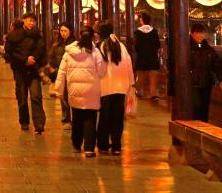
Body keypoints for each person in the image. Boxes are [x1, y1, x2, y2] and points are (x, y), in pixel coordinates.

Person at [55, 27, 106, 157]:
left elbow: (61, 72)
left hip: (74, 90)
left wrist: (58, 89)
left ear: (79, 35)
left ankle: (76, 144)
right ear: (93, 37)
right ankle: (89, 148)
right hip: (92, 91)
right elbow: (102, 71)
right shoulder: (96, 53)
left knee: (77, 117)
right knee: (90, 118)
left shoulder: (69, 52)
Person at [4, 13, 47, 134]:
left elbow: (41, 49)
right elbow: (9, 54)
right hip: (20, 70)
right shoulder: (13, 35)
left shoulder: (38, 35)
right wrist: (24, 60)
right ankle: (24, 122)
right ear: (23, 20)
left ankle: (39, 123)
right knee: (22, 98)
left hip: (34, 70)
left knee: (36, 96)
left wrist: (33, 59)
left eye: (34, 21)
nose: (32, 23)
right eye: (29, 20)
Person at [97, 21, 134, 155]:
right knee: (118, 117)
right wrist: (130, 83)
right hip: (121, 87)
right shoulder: (121, 45)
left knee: (105, 116)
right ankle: (116, 145)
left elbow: (100, 67)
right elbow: (129, 64)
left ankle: (103, 144)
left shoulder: (101, 46)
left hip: (106, 86)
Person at [189, 23, 222, 123]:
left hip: (205, 83)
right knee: (196, 107)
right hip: (192, 84)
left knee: (204, 108)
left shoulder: (207, 49)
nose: (200, 35)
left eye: (201, 33)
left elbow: (217, 64)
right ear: (192, 34)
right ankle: (195, 126)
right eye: (197, 32)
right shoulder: (186, 48)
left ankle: (203, 126)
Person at [46, 22, 75, 127]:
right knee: (63, 97)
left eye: (65, 31)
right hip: (60, 73)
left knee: (72, 97)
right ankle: (66, 119)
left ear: (70, 31)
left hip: (71, 73)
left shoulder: (74, 44)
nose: (63, 33)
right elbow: (51, 57)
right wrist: (52, 70)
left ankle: (72, 119)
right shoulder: (56, 44)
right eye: (61, 31)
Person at [134, 12, 162, 99]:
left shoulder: (138, 32)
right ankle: (153, 93)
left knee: (140, 76)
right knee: (153, 76)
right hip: (152, 57)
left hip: (141, 57)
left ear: (142, 20)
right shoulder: (154, 31)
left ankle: (140, 92)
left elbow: (136, 46)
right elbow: (158, 45)